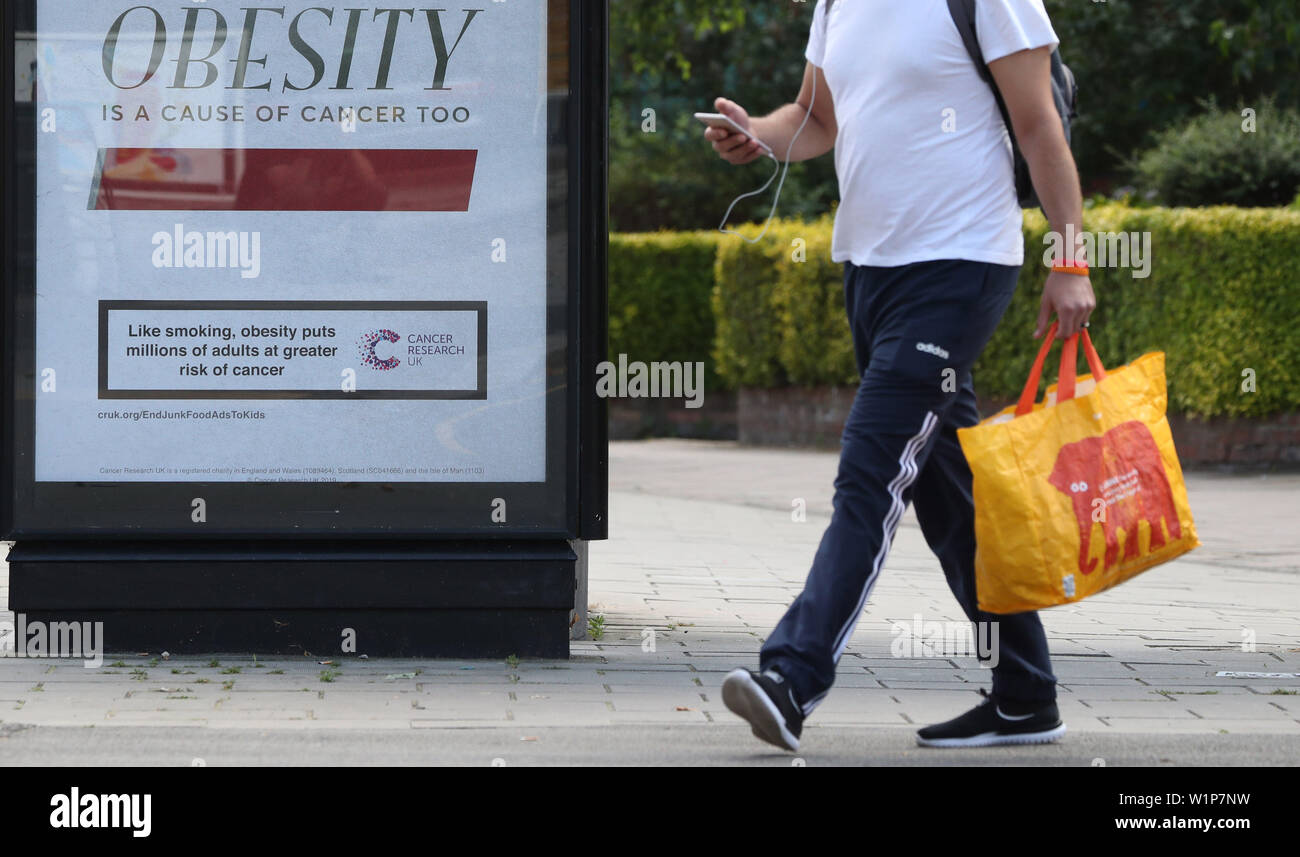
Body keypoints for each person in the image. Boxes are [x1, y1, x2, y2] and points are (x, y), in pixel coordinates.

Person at [707, 0, 1096, 751]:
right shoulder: (837, 5)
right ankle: (1026, 693)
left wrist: (1071, 258)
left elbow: (1039, 124)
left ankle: (793, 674)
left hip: (959, 263)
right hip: (872, 270)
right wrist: (759, 132)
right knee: (950, 493)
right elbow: (815, 119)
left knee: (870, 471)